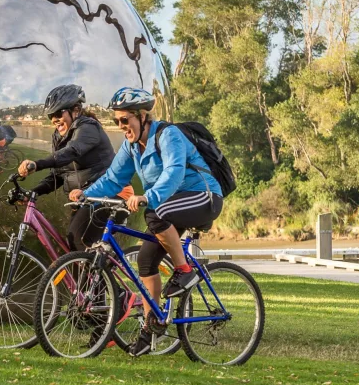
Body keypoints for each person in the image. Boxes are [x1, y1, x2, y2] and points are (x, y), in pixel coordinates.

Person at [73, 87, 223, 357]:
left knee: (155, 214)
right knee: (145, 260)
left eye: (124, 120)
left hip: (204, 196)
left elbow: (174, 172)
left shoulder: (168, 135)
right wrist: (86, 195)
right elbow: (113, 178)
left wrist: (147, 197)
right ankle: (151, 327)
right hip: (172, 202)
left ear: (142, 116)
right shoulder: (132, 146)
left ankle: (184, 270)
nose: (121, 127)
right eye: (116, 122)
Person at [17, 85, 133, 251]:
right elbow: (58, 175)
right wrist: (33, 192)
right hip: (88, 197)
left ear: (76, 110)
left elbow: (72, 151)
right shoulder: (59, 137)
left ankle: (102, 275)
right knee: (73, 244)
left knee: (80, 241)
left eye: (58, 113)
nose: (54, 119)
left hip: (113, 193)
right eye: (51, 115)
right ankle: (89, 275)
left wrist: (37, 164)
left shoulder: (88, 127)